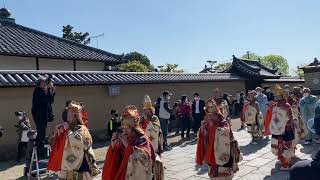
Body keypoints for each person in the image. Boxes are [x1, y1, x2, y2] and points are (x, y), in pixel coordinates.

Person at [102, 105, 156, 180]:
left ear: (134, 128)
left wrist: (127, 145)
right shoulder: (123, 134)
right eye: (123, 128)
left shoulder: (142, 139)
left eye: (127, 129)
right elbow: (117, 156)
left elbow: (144, 159)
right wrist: (113, 145)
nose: (124, 131)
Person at [48, 102, 100, 179]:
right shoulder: (63, 127)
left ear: (76, 116)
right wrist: (55, 134)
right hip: (65, 169)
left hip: (81, 167)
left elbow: (79, 143)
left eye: (70, 113)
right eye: (67, 113)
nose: (67, 116)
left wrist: (68, 130)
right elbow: (54, 145)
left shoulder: (82, 129)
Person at [196, 98, 241, 180]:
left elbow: (226, 132)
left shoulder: (222, 120)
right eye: (209, 114)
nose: (211, 116)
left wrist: (216, 129)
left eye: (213, 114)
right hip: (210, 150)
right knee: (214, 171)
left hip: (223, 150)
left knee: (224, 171)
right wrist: (203, 129)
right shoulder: (205, 122)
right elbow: (202, 137)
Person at [265, 84, 295, 170]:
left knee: (285, 147)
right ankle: (283, 160)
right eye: (274, 96)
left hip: (285, 129)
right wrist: (270, 108)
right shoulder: (275, 105)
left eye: (276, 96)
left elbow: (288, 118)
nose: (275, 97)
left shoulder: (286, 105)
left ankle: (286, 164)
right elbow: (273, 116)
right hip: (276, 129)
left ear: (281, 96)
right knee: (277, 146)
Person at [141, 95, 164, 180]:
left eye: (147, 110)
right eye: (144, 110)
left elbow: (156, 128)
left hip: (153, 142)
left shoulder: (155, 118)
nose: (146, 112)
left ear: (151, 111)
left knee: (154, 163)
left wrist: (148, 122)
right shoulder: (142, 119)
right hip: (144, 143)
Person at [31, 76, 55, 157]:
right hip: (39, 116)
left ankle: (40, 151)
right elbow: (48, 99)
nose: (45, 84)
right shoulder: (38, 91)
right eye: (44, 82)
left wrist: (51, 90)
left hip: (41, 116)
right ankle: (40, 152)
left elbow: (50, 100)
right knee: (41, 133)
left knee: (42, 133)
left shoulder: (41, 91)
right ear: (40, 83)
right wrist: (49, 89)